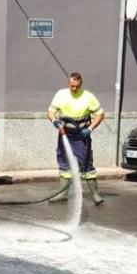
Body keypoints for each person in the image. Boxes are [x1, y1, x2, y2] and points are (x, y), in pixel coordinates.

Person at [47, 72, 105, 205]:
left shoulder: (88, 97)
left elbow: (100, 115)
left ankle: (95, 194)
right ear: (68, 84)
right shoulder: (61, 95)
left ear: (81, 84)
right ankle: (63, 193)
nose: (74, 89)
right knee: (64, 163)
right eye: (72, 86)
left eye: (77, 86)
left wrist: (89, 129)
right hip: (65, 135)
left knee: (86, 164)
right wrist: (55, 121)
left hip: (81, 136)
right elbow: (50, 112)